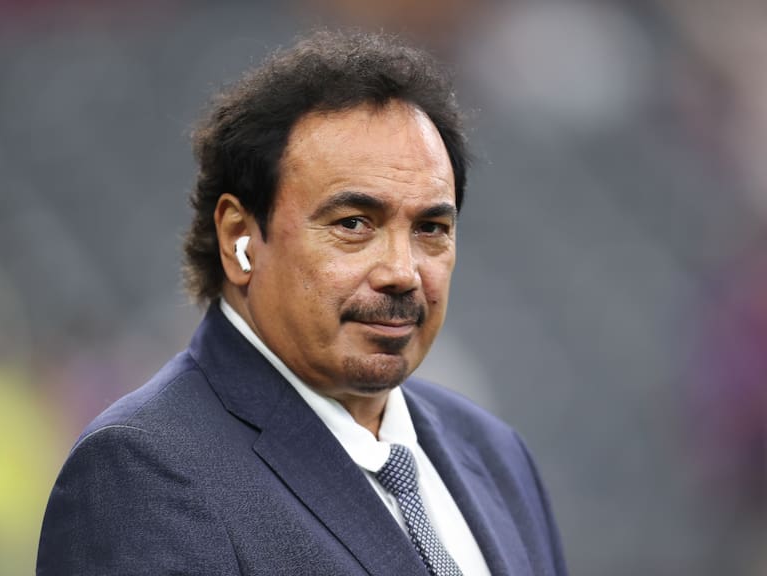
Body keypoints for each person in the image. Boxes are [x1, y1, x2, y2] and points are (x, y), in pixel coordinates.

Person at [37, 30, 567, 576]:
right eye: (353, 224)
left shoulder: (495, 454)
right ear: (240, 239)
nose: (402, 273)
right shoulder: (144, 473)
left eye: (431, 228)